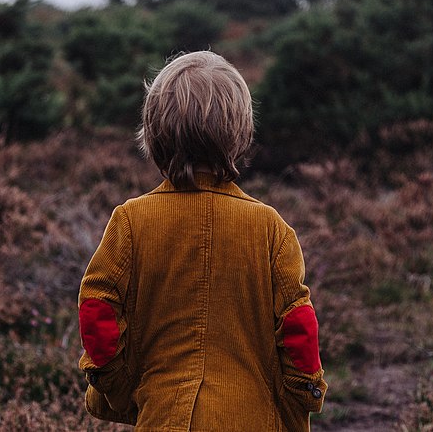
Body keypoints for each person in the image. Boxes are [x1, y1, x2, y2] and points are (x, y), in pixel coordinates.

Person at [78, 51, 327, 431]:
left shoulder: (130, 221)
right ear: (240, 133)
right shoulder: (271, 229)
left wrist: (122, 389)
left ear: (153, 133)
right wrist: (302, 399)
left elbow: (98, 311)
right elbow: (299, 330)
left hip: (163, 418)